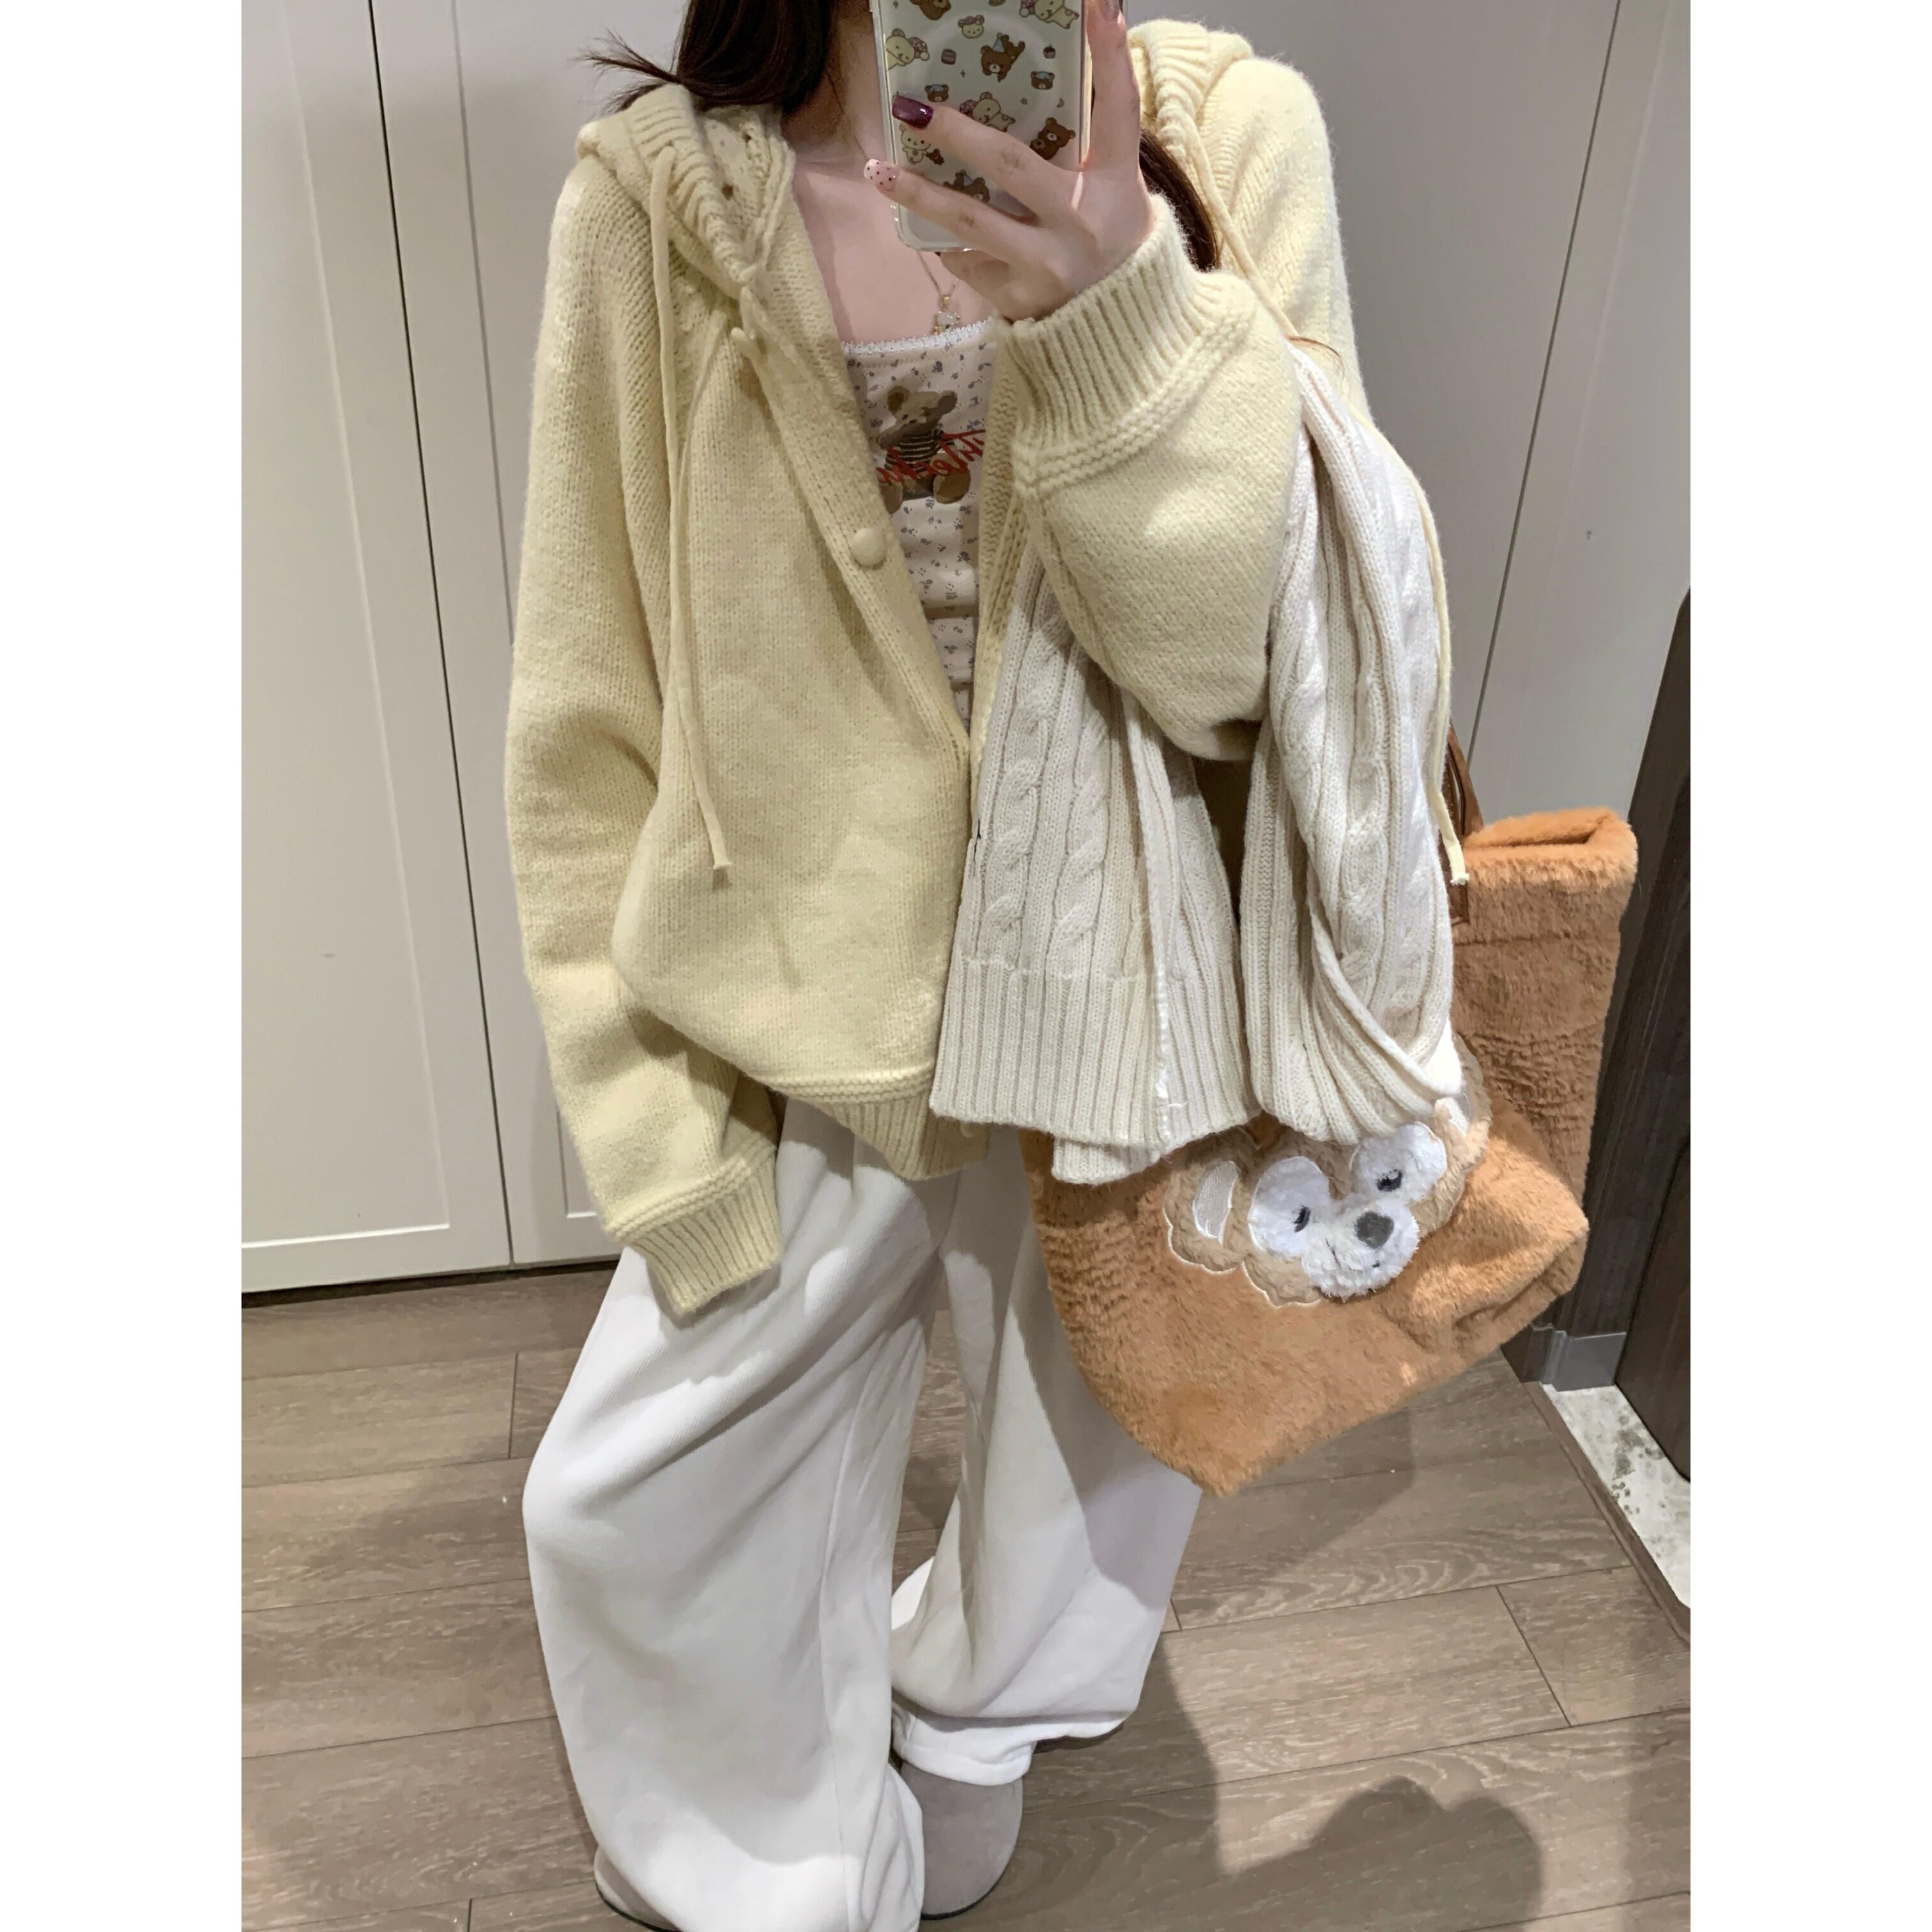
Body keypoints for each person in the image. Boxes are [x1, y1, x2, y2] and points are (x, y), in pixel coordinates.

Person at [505, 2, 1366, 1925]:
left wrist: (1119, 308)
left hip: (1136, 985)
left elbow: (1255, 678)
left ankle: (976, 1721)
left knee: (1103, 1446)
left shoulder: (1234, 139)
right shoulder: (655, 207)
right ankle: (788, 1860)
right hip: (813, 1011)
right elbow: (585, 718)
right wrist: (653, 1134)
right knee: (623, 1502)